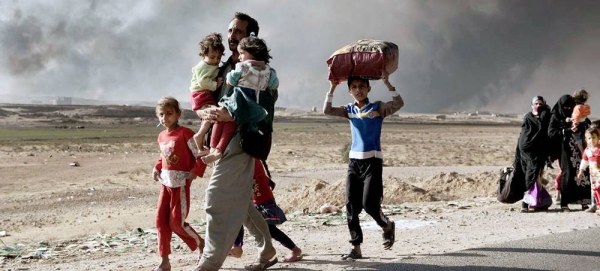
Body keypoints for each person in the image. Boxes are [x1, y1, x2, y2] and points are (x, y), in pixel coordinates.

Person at [194, 12, 278, 271]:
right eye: (230, 31)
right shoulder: (221, 67)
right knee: (241, 202)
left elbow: (262, 104)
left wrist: (227, 113)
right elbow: (203, 97)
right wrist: (206, 113)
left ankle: (209, 263)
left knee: (216, 200)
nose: (231, 35)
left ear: (250, 36)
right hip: (221, 140)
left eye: (238, 32)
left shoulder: (259, 70)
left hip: (240, 141)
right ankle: (267, 251)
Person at [323, 73, 404, 259]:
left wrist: (387, 82)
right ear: (350, 91)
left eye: (362, 86)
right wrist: (333, 88)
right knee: (351, 206)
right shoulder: (349, 109)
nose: (358, 90)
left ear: (368, 88)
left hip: (373, 162)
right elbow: (327, 110)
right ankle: (355, 247)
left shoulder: (378, 107)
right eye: (354, 87)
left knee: (370, 205)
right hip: (354, 163)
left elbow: (398, 104)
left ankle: (387, 225)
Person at [201, 35, 277, 164]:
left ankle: (214, 148)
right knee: (230, 123)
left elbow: (231, 80)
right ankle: (218, 150)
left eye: (242, 53)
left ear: (252, 53)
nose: (240, 56)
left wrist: (231, 75)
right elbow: (273, 85)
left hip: (240, 100)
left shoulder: (242, 67)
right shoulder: (269, 71)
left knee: (220, 120)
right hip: (256, 104)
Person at [152, 97, 206, 271]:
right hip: (165, 184)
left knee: (176, 223)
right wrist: (157, 167)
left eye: (169, 114)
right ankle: (165, 262)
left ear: (178, 114)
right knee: (161, 222)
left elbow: (200, 154)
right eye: (161, 114)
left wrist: (195, 172)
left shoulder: (185, 133)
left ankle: (202, 244)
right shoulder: (161, 136)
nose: (165, 118)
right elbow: (164, 156)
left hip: (180, 185)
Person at [228, 159, 303, 262]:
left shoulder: (248, 157)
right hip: (258, 197)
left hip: (262, 200)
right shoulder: (250, 157)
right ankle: (237, 246)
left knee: (270, 229)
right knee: (243, 217)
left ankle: (295, 250)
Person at [548, 94, 592, 212]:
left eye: (570, 107)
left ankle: (583, 201)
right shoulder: (555, 117)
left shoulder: (577, 114)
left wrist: (580, 124)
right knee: (567, 174)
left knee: (583, 172)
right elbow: (551, 133)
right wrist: (566, 130)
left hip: (579, 149)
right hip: (564, 150)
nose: (567, 109)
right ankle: (564, 203)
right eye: (565, 107)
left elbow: (587, 125)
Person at [514, 96, 552, 212]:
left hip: (540, 151)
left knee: (538, 176)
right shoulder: (528, 117)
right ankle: (525, 205)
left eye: (541, 104)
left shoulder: (546, 116)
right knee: (529, 176)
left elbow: (547, 133)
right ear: (532, 105)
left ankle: (538, 203)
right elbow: (524, 133)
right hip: (526, 152)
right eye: (536, 103)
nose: (538, 106)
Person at [189, 33, 225, 154]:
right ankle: (200, 136)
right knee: (212, 113)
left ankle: (202, 142)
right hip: (201, 94)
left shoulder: (211, 65)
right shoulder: (203, 67)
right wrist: (215, 84)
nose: (216, 61)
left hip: (203, 94)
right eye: (212, 57)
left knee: (209, 117)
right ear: (203, 55)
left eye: (218, 58)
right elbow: (203, 81)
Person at [577, 128, 600, 215]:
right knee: (594, 190)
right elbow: (584, 161)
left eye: (594, 137)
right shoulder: (587, 151)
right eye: (589, 138)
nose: (592, 140)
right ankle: (595, 206)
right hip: (593, 175)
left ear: (598, 138)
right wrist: (581, 171)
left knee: (598, 189)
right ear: (586, 140)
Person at [567, 89, 590, 155]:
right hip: (584, 124)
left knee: (578, 139)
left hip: (578, 125)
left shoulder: (577, 108)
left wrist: (572, 121)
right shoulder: (586, 106)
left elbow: (576, 117)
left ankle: (583, 153)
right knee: (585, 139)